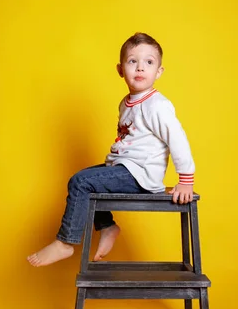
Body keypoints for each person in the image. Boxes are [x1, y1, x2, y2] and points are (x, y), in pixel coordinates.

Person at [27, 32, 195, 267]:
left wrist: (186, 179)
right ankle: (107, 227)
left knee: (81, 182)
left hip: (140, 174)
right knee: (84, 180)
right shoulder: (126, 102)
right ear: (120, 69)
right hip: (124, 167)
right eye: (132, 61)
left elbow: (177, 139)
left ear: (159, 72)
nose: (140, 68)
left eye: (149, 62)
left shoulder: (157, 105)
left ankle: (65, 243)